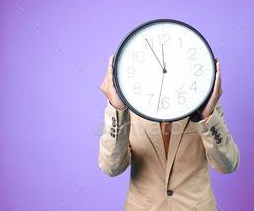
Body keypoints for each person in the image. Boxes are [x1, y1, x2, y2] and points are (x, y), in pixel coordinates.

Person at [99, 55, 240, 211]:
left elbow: (229, 165)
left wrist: (207, 117)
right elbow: (112, 168)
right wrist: (118, 110)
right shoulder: (129, 104)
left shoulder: (203, 100)